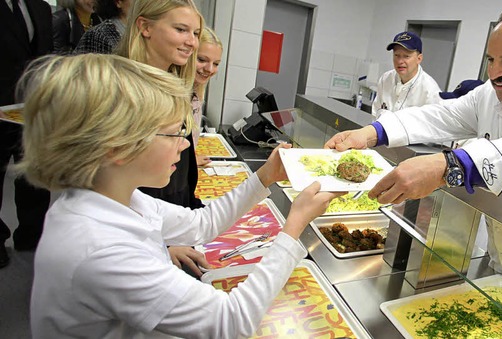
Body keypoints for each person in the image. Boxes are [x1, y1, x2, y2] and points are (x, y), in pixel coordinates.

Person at [18, 53, 342, 338]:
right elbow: (231, 322)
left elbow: (201, 224)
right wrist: (294, 225)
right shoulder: (100, 250)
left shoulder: (112, 195)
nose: (185, 144)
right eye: (173, 133)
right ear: (116, 146)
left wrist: (265, 176)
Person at [326, 10, 502, 300]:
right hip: (501, 270)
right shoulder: (488, 95)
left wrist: (449, 165)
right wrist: (372, 133)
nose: (495, 72)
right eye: (491, 60)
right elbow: (438, 116)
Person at [116, 0, 213, 276]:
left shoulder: (173, 81)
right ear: (145, 26)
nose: (192, 42)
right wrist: (160, 245)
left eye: (195, 33)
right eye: (181, 30)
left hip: (170, 215)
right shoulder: (124, 88)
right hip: (143, 239)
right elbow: (113, 186)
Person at [0, 0, 53, 268]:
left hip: (32, 109)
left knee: (35, 178)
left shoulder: (41, 7)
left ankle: (32, 236)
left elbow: (44, 59)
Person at [371, 31, 442, 118]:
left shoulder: (429, 90)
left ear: (419, 59)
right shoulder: (386, 79)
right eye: (397, 55)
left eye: (406, 56)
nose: (400, 61)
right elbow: (375, 113)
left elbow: (432, 127)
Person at [191, 26, 222, 166]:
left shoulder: (197, 92)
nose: (210, 69)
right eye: (202, 59)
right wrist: (187, 162)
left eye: (216, 64)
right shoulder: (173, 94)